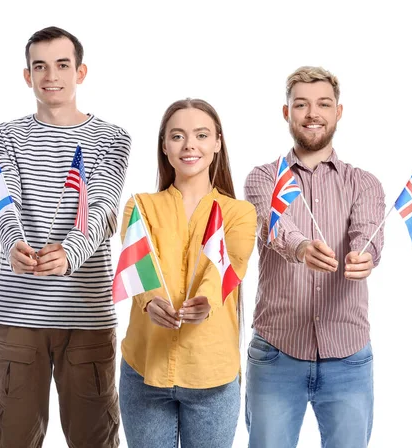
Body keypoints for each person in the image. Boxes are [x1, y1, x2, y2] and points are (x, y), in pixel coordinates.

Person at [0, 26, 130, 448]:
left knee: (94, 439)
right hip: (18, 315)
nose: (52, 75)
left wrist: (68, 254)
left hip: (86, 316)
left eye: (62, 65)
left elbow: (102, 209)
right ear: (27, 76)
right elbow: (2, 198)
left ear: (80, 72)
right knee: (13, 437)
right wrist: (12, 243)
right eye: (40, 66)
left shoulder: (112, 137)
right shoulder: (5, 134)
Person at [244, 66, 386, 448]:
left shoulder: (364, 181)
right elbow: (273, 226)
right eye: (301, 104)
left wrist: (364, 255)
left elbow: (369, 230)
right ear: (286, 112)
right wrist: (302, 248)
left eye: (323, 104)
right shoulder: (263, 177)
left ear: (338, 112)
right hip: (277, 353)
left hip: (348, 354)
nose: (312, 113)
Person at [118, 98, 256, 448]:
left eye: (201, 135)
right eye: (177, 136)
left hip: (212, 374)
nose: (189, 145)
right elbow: (138, 266)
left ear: (217, 143)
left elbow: (225, 267)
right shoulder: (140, 206)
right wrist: (151, 301)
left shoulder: (239, 212)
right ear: (165, 147)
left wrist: (205, 301)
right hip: (145, 369)